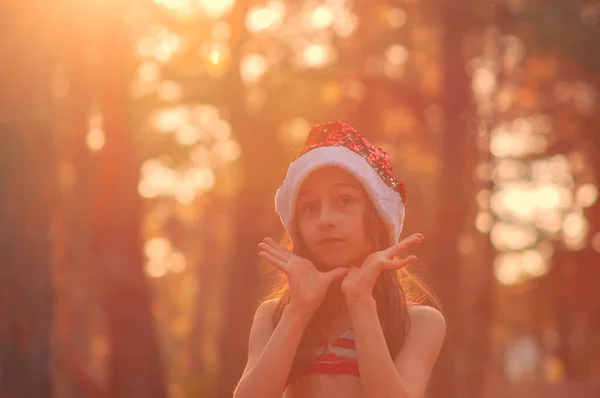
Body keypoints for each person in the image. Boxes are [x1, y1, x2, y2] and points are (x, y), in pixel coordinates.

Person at [233, 120, 446, 398]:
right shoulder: (274, 315)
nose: (325, 220)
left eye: (344, 201)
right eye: (309, 207)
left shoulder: (418, 322)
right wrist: (299, 309)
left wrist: (361, 302)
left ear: (379, 217)